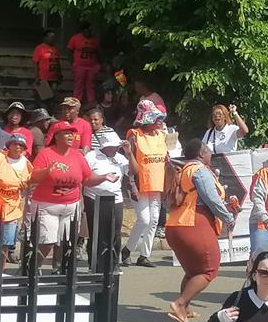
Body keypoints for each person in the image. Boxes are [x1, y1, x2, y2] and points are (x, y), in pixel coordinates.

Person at [29, 121, 118, 272]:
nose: (71, 136)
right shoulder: (46, 154)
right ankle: (32, 267)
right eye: (66, 133)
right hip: (47, 205)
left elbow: (87, 179)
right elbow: (33, 177)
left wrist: (103, 177)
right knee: (47, 241)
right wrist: (47, 171)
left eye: (72, 133)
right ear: (57, 136)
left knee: (65, 242)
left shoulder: (77, 155)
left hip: (71, 205)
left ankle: (59, 269)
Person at [166, 139, 237, 322]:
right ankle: (180, 304)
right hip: (194, 224)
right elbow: (212, 200)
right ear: (200, 154)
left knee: (192, 271)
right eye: (207, 150)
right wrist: (228, 218)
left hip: (174, 225)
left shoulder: (182, 170)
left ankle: (185, 308)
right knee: (208, 270)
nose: (210, 153)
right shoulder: (199, 171)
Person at [122, 99, 170, 268]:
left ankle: (144, 255)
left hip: (156, 183)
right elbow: (131, 162)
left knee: (154, 220)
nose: (159, 121)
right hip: (140, 183)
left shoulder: (162, 135)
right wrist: (131, 184)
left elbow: (168, 158)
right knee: (144, 219)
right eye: (156, 118)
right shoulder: (134, 135)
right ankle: (127, 250)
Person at [84, 131, 129, 269]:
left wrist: (130, 153)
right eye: (112, 146)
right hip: (94, 197)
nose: (115, 149)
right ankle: (95, 262)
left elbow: (134, 171)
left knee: (115, 232)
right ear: (104, 146)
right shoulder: (91, 156)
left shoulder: (121, 158)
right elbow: (85, 179)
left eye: (117, 146)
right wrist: (103, 177)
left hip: (115, 199)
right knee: (97, 231)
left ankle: (113, 263)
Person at [0, 134, 32, 270]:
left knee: (5, 243)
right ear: (9, 145)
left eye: (20, 145)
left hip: (12, 208)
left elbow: (26, 187)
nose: (17, 147)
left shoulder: (27, 164)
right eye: (14, 144)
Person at [67, 21, 101, 104]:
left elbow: (99, 52)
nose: (89, 33)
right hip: (79, 66)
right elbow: (69, 51)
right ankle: (76, 104)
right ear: (83, 30)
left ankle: (91, 104)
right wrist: (72, 63)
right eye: (87, 30)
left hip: (92, 66)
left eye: (90, 31)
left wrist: (98, 65)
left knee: (91, 86)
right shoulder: (75, 38)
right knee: (79, 85)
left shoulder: (94, 40)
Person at [32, 29, 62, 96]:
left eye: (54, 38)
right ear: (45, 38)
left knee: (52, 96)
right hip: (43, 78)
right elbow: (35, 63)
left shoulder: (55, 49)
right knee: (45, 97)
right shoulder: (39, 48)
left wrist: (60, 73)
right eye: (51, 37)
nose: (53, 39)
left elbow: (58, 62)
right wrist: (36, 76)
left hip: (54, 78)